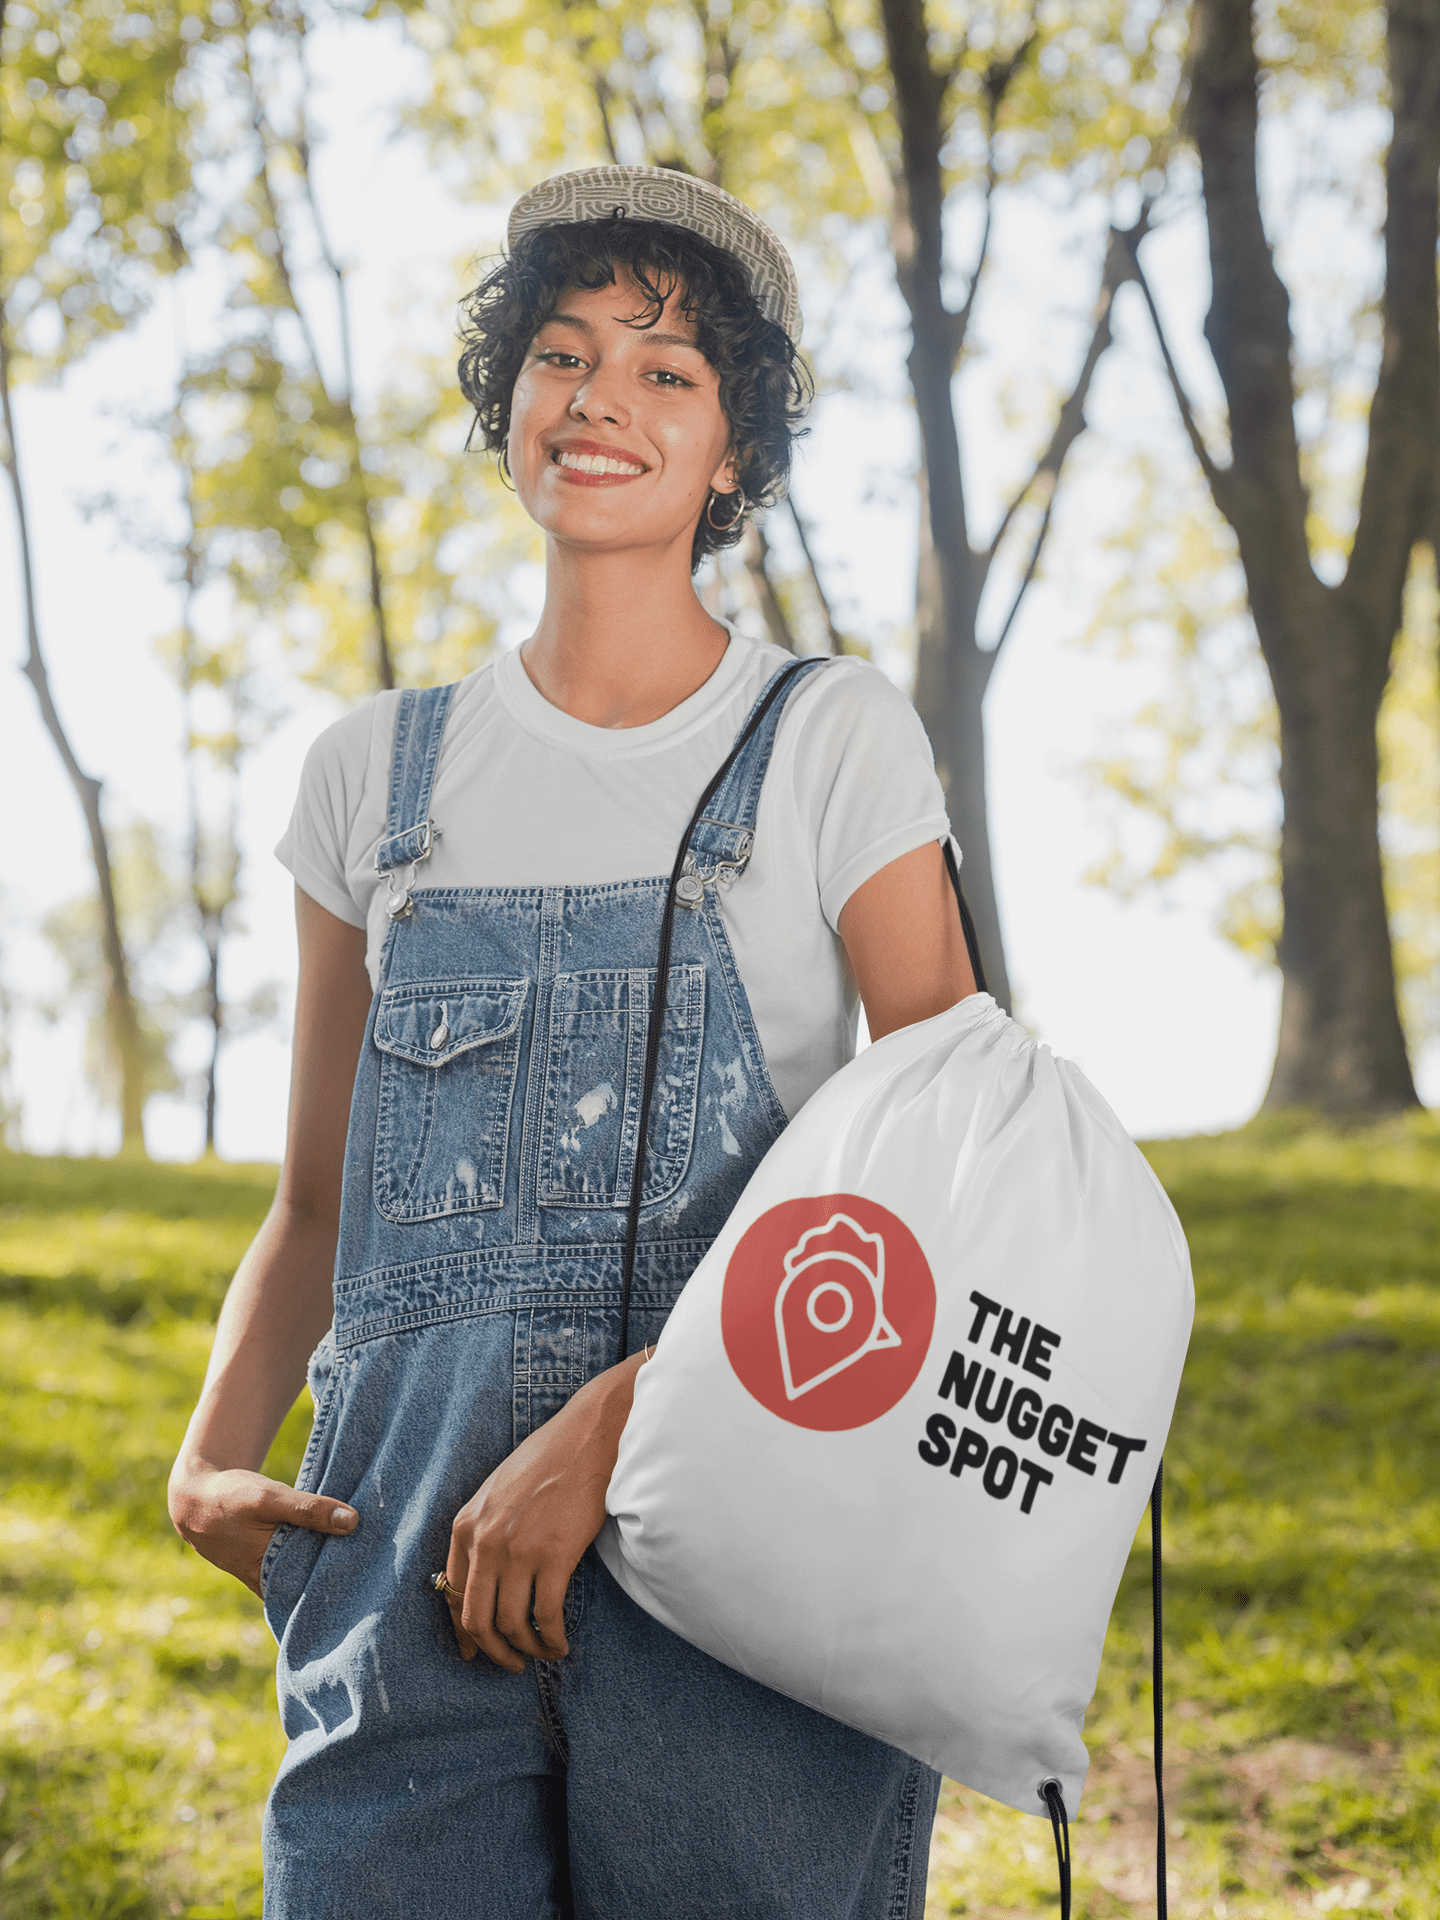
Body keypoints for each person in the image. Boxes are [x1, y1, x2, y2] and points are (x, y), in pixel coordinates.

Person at [168, 164, 978, 1919]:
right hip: (398, 1573)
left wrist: (625, 1420)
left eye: (668, 370)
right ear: (509, 403)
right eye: (562, 353)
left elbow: (948, 1156)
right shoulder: (369, 777)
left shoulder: (825, 738)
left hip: (739, 1561)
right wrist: (210, 1455)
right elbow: (318, 1206)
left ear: (734, 455)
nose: (602, 395)